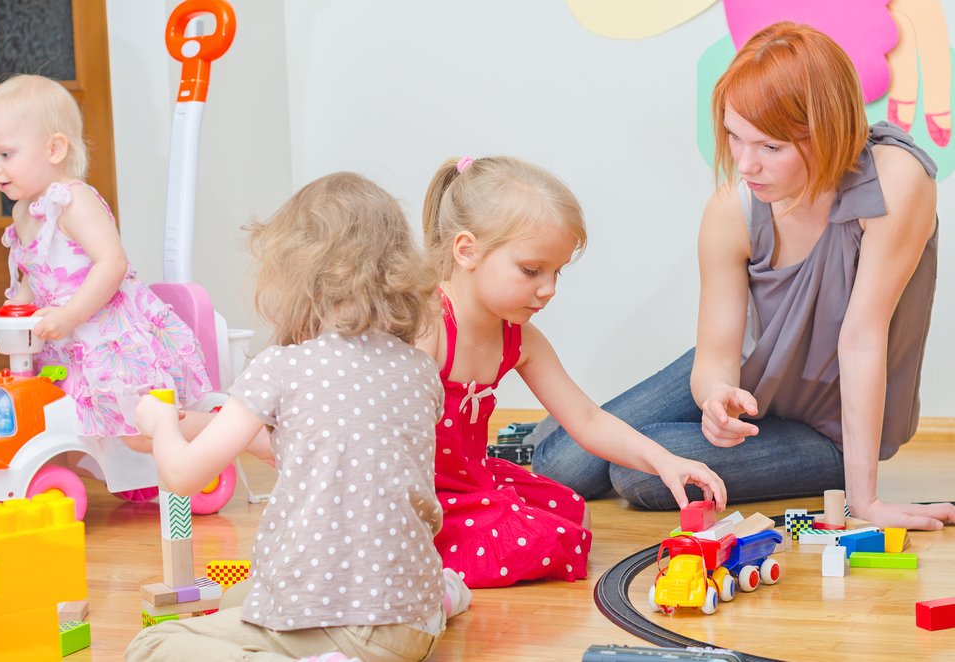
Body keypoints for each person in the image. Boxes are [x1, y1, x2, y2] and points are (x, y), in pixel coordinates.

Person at [530, 22, 955, 531]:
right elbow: (713, 356)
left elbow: (863, 337)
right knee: (559, 468)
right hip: (754, 377)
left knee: (636, 474)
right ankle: (536, 436)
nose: (746, 164)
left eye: (771, 147)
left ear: (829, 131)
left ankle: (567, 434)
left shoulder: (895, 182)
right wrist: (715, 394)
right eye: (735, 136)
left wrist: (863, 502)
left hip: (828, 429)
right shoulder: (732, 209)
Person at [126, 172, 471, 662]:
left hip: (345, 629)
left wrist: (160, 424)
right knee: (236, 598)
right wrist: (202, 426)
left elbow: (181, 476)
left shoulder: (282, 367)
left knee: (154, 644)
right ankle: (445, 595)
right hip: (412, 624)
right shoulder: (419, 370)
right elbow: (315, 452)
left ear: (301, 266)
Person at [419, 156, 727, 589]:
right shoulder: (429, 326)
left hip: (474, 480)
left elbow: (588, 420)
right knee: (542, 542)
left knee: (571, 513)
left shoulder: (519, 338)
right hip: (418, 492)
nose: (549, 289)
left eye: (556, 272)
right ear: (467, 250)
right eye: (531, 270)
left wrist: (665, 461)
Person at [0, 74, 210, 448]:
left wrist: (69, 315)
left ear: (54, 149)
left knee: (140, 427)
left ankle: (226, 432)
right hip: (68, 342)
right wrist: (20, 306)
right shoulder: (22, 212)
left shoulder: (74, 201)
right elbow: (36, 269)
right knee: (73, 420)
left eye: (5, 154)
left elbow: (112, 264)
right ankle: (133, 476)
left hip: (105, 335)